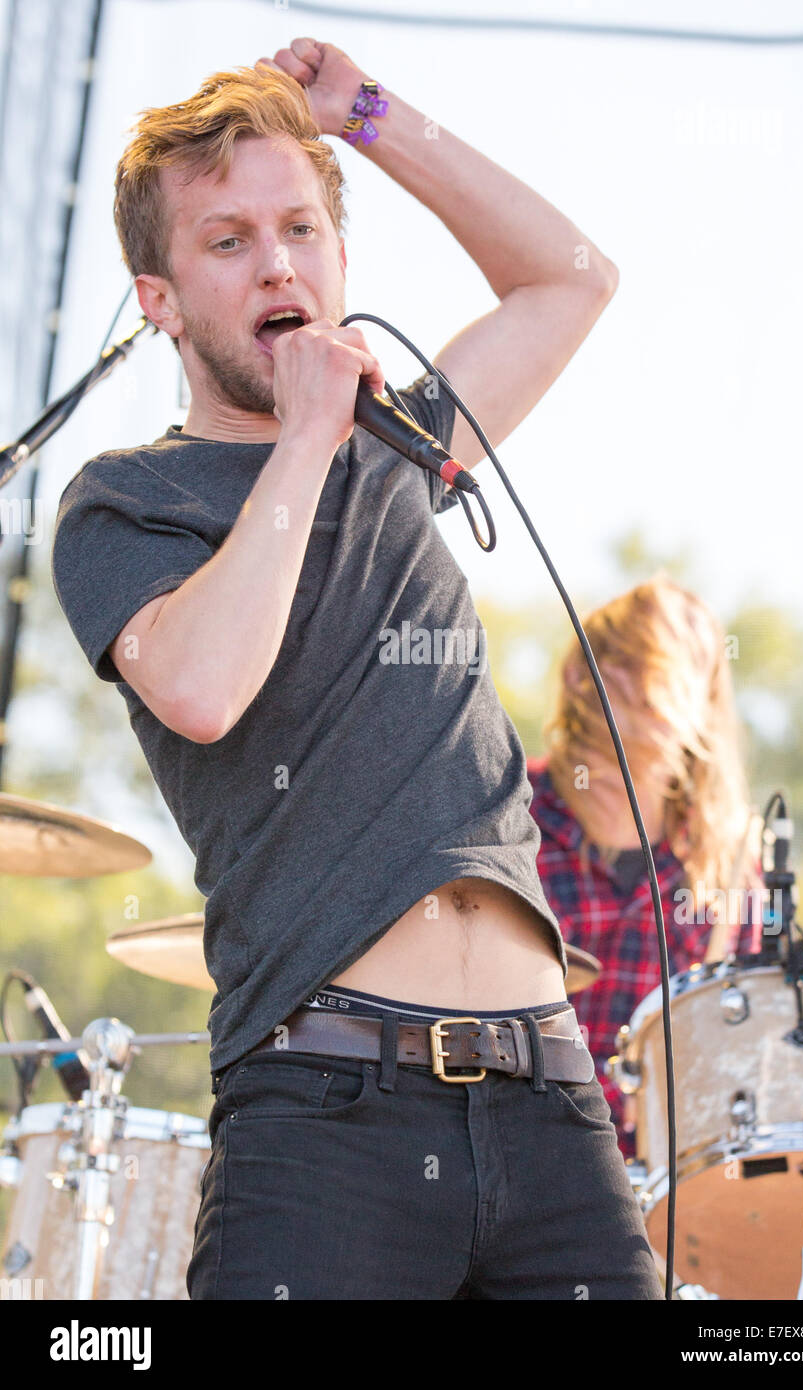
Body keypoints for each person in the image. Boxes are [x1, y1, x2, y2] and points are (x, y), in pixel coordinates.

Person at [51, 39, 662, 1299]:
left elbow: (570, 281)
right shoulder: (125, 504)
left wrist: (373, 116)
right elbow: (206, 686)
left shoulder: (400, 454)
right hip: (326, 1111)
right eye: (226, 242)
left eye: (299, 229)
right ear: (158, 299)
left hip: (549, 1097)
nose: (277, 261)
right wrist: (309, 439)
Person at [527, 572, 764, 1160]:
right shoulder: (502, 815)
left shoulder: (729, 862)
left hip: (657, 1200)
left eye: (690, 670)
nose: (663, 693)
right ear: (580, 676)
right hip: (507, 1170)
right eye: (636, 664)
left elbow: (745, 1059)